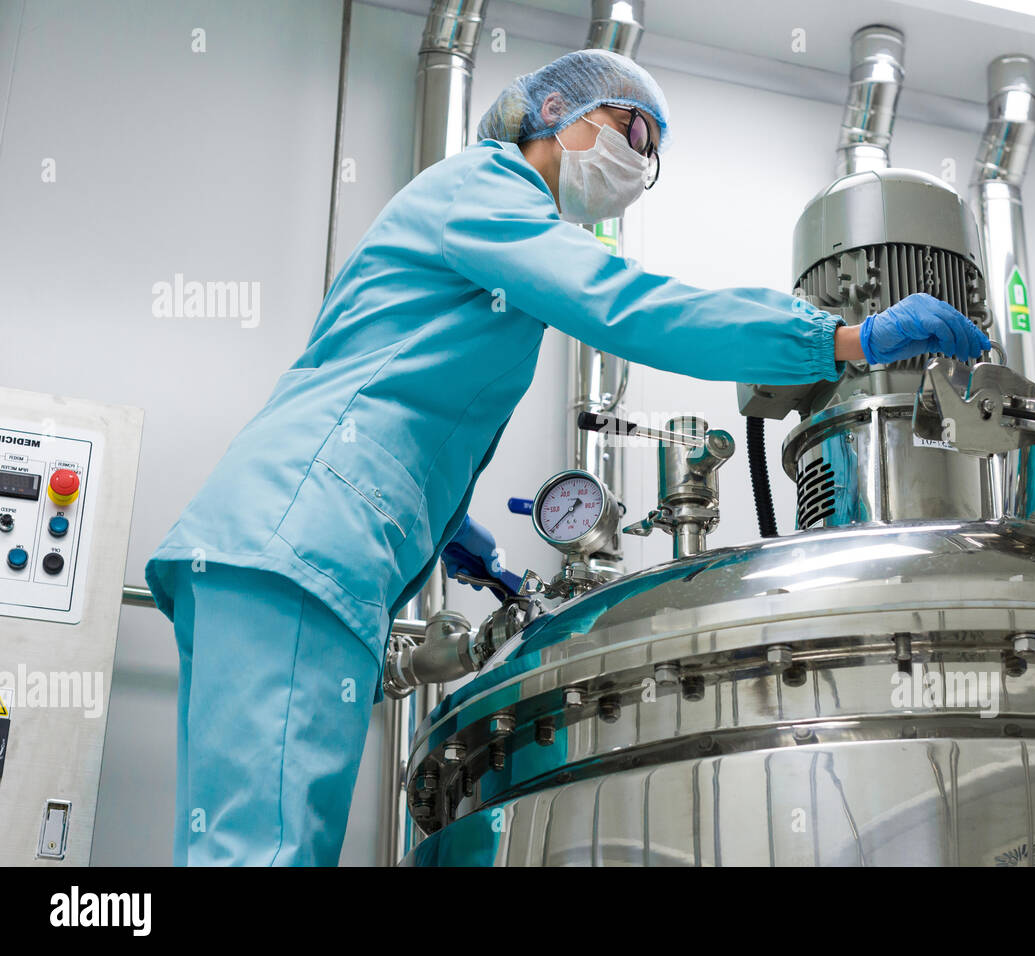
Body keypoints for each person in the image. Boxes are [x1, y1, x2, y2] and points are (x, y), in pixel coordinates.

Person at [145, 48, 988, 866]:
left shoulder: (482, 223)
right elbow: (624, 304)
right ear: (556, 111)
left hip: (290, 534)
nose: (637, 161)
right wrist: (838, 338)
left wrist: (439, 523)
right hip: (305, 539)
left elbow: (389, 375)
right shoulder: (488, 187)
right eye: (633, 130)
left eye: (650, 156)